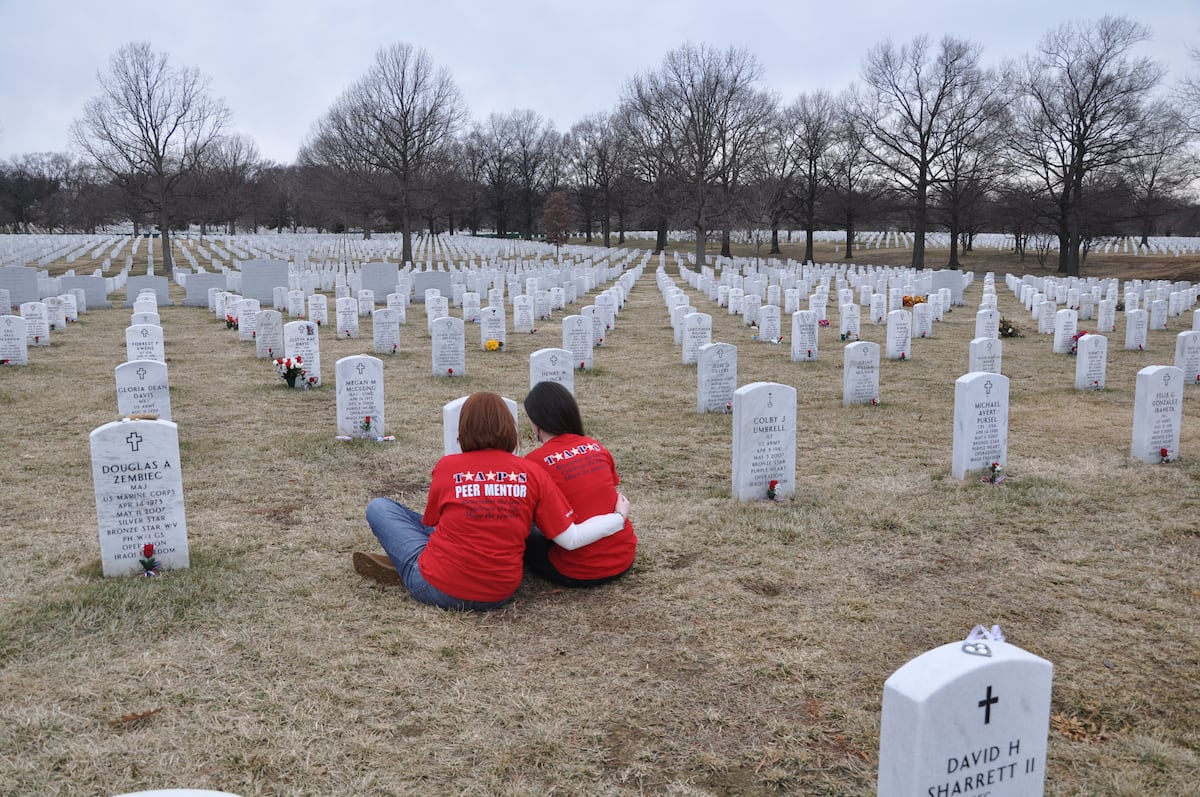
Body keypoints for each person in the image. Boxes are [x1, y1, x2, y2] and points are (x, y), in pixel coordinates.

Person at [356, 391, 630, 611]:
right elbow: (563, 533)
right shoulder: (532, 470)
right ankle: (430, 563)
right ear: (510, 428)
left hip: (440, 586)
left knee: (380, 508)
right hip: (502, 591)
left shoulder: (448, 466)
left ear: (463, 428)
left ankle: (410, 566)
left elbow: (432, 523)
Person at [522, 381, 637, 586]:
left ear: (537, 421)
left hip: (578, 569)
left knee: (526, 531)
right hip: (624, 556)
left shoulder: (533, 463)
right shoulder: (595, 446)